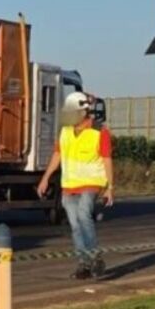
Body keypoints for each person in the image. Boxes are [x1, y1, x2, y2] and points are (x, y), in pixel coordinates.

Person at [37, 92, 115, 280]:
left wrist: (110, 187)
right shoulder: (65, 131)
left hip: (92, 182)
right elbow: (57, 155)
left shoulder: (100, 132)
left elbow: (107, 160)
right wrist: (45, 178)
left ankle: (95, 256)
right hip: (69, 185)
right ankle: (84, 264)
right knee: (75, 226)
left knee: (83, 214)